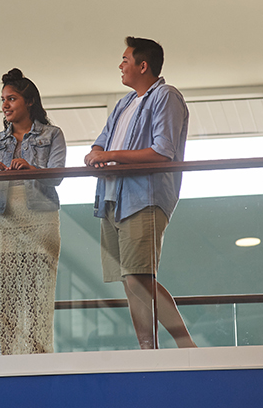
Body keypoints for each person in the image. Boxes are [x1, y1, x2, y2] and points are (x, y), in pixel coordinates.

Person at [84, 37, 196, 349]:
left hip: (143, 197)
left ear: (142, 65)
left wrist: (110, 156)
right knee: (131, 280)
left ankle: (186, 345)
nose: (120, 65)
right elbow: (100, 141)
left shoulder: (165, 96)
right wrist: (96, 153)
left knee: (138, 276)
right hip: (113, 199)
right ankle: (147, 348)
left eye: (125, 59)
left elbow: (163, 152)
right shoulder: (124, 103)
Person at [0, 68, 66, 355]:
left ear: (29, 101)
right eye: (3, 99)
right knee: (5, 296)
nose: (5, 105)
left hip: (41, 220)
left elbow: (56, 177)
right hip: (5, 221)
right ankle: (4, 358)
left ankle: (37, 358)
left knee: (37, 296)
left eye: (11, 98)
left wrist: (33, 169)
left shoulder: (52, 134)